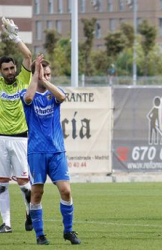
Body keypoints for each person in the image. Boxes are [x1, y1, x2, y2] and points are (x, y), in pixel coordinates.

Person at [20, 55, 81, 245]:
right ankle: (40, 235)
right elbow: (29, 98)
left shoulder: (54, 93)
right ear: (35, 75)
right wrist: (35, 76)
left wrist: (44, 80)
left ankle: (68, 231)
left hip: (56, 151)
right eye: (43, 74)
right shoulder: (27, 93)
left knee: (66, 191)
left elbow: (62, 96)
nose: (47, 77)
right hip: (37, 152)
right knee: (37, 194)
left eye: (49, 74)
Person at [0, 17, 33, 233]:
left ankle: (31, 215)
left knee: (24, 184)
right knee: (2, 184)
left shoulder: (23, 80)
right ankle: (7, 223)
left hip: (21, 137)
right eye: (6, 69)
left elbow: (29, 56)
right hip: (1, 138)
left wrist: (14, 37)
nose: (11, 71)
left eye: (12, 68)